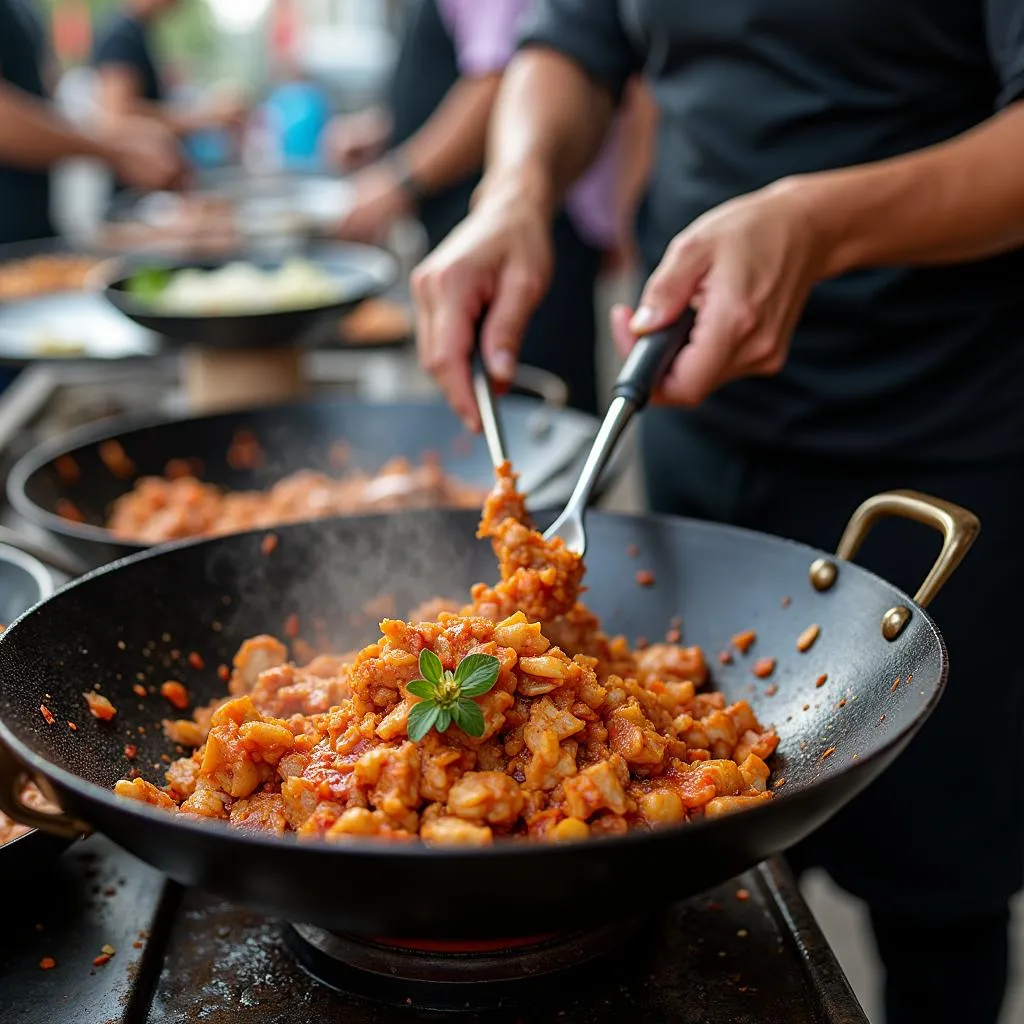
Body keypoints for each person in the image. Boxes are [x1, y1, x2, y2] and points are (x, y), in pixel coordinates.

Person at [411, 3, 1024, 1023]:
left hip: (940, 424)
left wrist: (815, 222)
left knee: (939, 884)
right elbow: (572, 38)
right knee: (713, 888)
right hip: (688, 403)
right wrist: (513, 192)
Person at [326, 0, 655, 415]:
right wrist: (388, 130)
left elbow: (497, 79)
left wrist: (400, 179)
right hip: (491, 220)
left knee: (540, 410)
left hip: (532, 234)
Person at [0, 0, 186, 247]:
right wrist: (115, 150)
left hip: (31, 237)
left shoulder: (23, 9)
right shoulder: (121, 34)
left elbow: (42, 106)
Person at [91, 0, 246, 159]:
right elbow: (117, 119)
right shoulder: (121, 36)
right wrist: (207, 116)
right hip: (135, 175)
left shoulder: (138, 32)